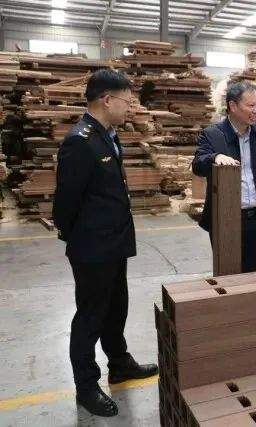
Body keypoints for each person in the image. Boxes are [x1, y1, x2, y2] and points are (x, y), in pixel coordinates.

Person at [52, 69, 158, 417]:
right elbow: (65, 202)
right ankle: (86, 385)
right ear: (107, 100)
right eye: (126, 101)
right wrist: (81, 239)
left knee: (116, 308)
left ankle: (120, 363)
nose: (130, 108)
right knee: (90, 316)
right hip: (93, 247)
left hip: (114, 242)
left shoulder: (108, 135)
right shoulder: (80, 141)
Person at [192, 81, 256, 273]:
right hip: (225, 217)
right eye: (251, 105)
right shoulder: (212, 134)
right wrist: (215, 157)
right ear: (232, 105)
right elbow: (198, 165)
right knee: (228, 273)